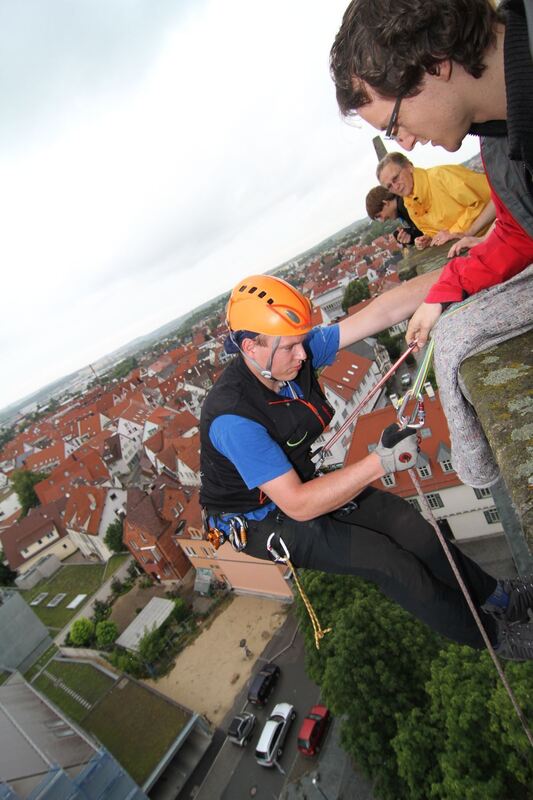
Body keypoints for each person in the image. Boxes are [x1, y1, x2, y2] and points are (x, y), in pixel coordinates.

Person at [200, 274, 533, 659]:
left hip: (296, 485)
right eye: (290, 347)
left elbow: (384, 310)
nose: (304, 355)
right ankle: (496, 638)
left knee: (407, 524)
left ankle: (500, 596)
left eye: (301, 343)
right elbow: (298, 505)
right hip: (262, 518)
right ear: (250, 347)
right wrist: (380, 462)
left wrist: (455, 274)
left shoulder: (291, 357)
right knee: (387, 562)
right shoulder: (233, 418)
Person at [330, 0, 533, 349]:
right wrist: (442, 292)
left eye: (394, 125)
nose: (405, 144)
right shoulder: (498, 143)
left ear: (434, 64)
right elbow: (519, 233)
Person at [376, 152, 494, 250]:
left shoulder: (441, 176)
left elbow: (486, 201)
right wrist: (428, 239)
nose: (395, 187)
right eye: (389, 186)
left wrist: (453, 233)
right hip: (470, 246)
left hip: (496, 232)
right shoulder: (409, 202)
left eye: (396, 178)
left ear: (409, 167)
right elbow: (433, 231)